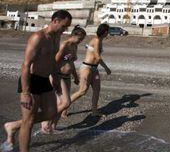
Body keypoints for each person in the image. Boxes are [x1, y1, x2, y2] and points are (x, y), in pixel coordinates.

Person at [1, 10, 72, 152]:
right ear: (55, 21)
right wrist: (25, 92)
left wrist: (56, 80)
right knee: (28, 122)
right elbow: (26, 65)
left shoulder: (56, 37)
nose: (65, 30)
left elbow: (52, 60)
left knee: (51, 112)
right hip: (31, 81)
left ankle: (13, 126)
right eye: (64, 26)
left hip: (45, 80)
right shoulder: (38, 37)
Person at [40, 25, 86, 134]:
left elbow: (71, 62)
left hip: (67, 77)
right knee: (66, 103)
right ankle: (45, 122)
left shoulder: (75, 46)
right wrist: (54, 77)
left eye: (82, 39)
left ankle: (52, 127)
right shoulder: (64, 45)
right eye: (80, 39)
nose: (81, 41)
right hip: (58, 75)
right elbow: (55, 60)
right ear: (73, 35)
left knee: (60, 103)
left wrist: (75, 76)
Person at [65, 23, 111, 117]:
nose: (108, 33)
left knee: (97, 90)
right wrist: (106, 68)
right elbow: (97, 57)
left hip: (94, 68)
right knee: (82, 91)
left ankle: (94, 111)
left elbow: (97, 58)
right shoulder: (96, 40)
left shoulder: (100, 41)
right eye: (108, 32)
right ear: (105, 32)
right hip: (87, 67)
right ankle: (64, 107)